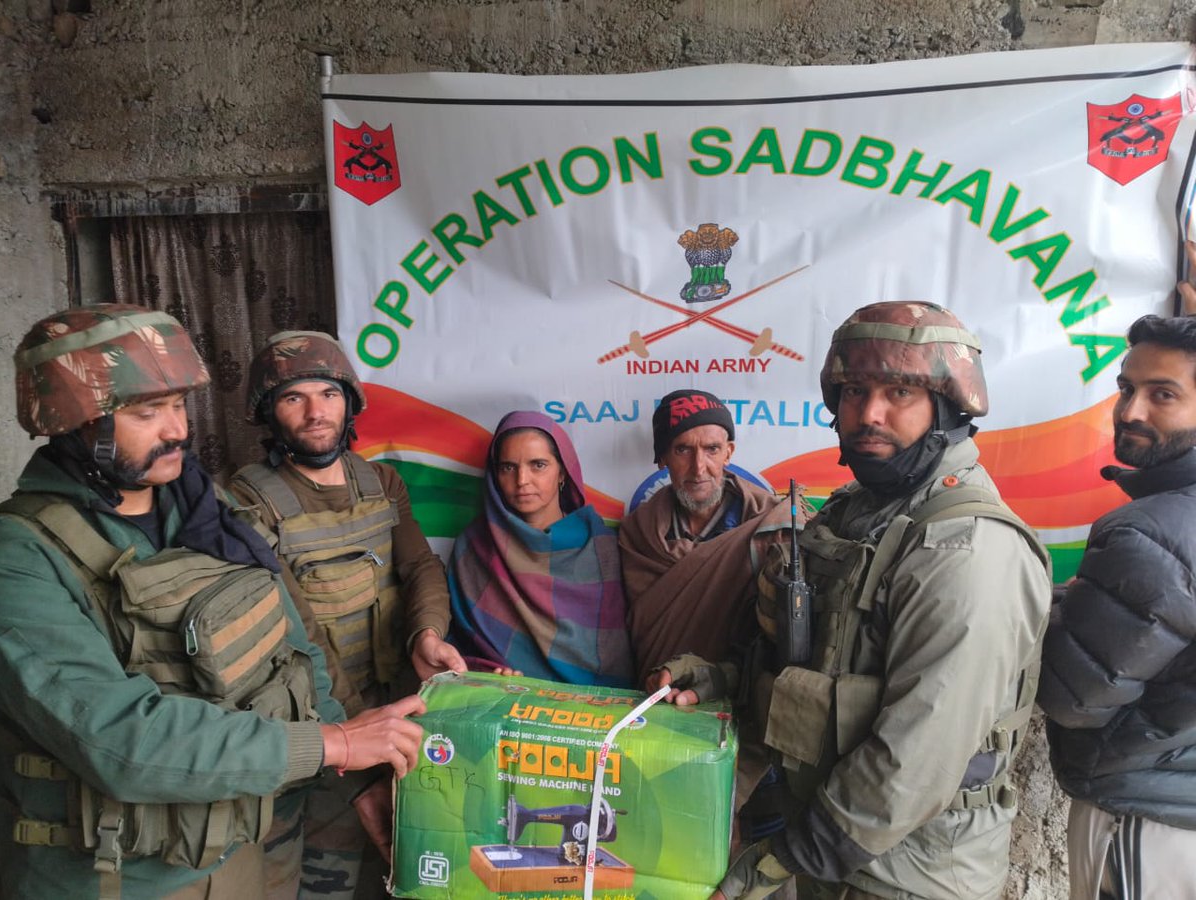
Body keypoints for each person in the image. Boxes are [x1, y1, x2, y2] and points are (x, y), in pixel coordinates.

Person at [0, 304, 426, 900]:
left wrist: (352, 776)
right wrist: (336, 744)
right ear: (77, 424)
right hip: (118, 878)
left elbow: (292, 648)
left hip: (243, 850)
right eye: (148, 412)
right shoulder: (19, 555)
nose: (177, 430)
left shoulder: (205, 510)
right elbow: (117, 738)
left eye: (177, 406)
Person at [698, 301, 1052, 900]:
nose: (869, 414)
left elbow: (919, 754)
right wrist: (718, 680)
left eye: (900, 392)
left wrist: (786, 858)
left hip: (908, 875)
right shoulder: (860, 510)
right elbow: (822, 664)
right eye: (855, 391)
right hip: (832, 848)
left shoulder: (967, 547)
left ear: (948, 407)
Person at [229, 330, 464, 898]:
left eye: (328, 394)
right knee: (320, 881)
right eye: (294, 398)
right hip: (315, 728)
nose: (315, 412)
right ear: (269, 412)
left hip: (395, 713)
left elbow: (422, 568)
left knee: (406, 872)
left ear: (349, 401)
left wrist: (426, 634)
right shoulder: (245, 500)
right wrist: (358, 760)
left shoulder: (379, 482)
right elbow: (293, 632)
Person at [1038, 314, 1196, 900]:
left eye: (1164, 395)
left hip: (1145, 816)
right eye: (1127, 388)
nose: (1131, 411)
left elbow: (1075, 696)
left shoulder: (1151, 532)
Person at [619, 388, 795, 686]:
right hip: (655, 693)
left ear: (729, 452)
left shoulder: (772, 525)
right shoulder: (639, 533)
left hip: (743, 692)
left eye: (712, 449)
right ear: (662, 458)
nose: (699, 468)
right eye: (683, 450)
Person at [446, 410, 633, 686]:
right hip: (504, 705)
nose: (522, 480)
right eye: (508, 467)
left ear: (562, 473)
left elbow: (616, 650)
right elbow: (458, 646)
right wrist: (485, 671)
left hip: (597, 710)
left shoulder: (602, 547)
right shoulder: (475, 548)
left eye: (538, 465)